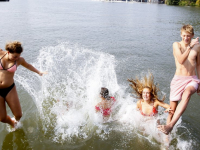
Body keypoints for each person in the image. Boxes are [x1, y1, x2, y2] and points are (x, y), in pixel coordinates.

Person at [157, 24, 200, 135]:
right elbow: (180, 60)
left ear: (193, 35)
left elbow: (199, 65)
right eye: (184, 36)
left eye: (189, 36)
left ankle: (170, 126)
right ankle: (166, 138)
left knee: (187, 94)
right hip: (178, 79)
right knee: (171, 111)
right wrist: (190, 46)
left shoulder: (198, 47)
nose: (186, 38)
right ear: (181, 35)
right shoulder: (176, 45)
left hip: (192, 79)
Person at [0, 41, 47, 129]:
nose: (17, 58)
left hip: (9, 88)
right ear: (8, 52)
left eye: (18, 56)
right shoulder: (0, 53)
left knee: (18, 115)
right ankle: (12, 123)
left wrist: (39, 72)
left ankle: (16, 122)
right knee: (2, 118)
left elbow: (28, 65)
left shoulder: (20, 60)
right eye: (15, 56)